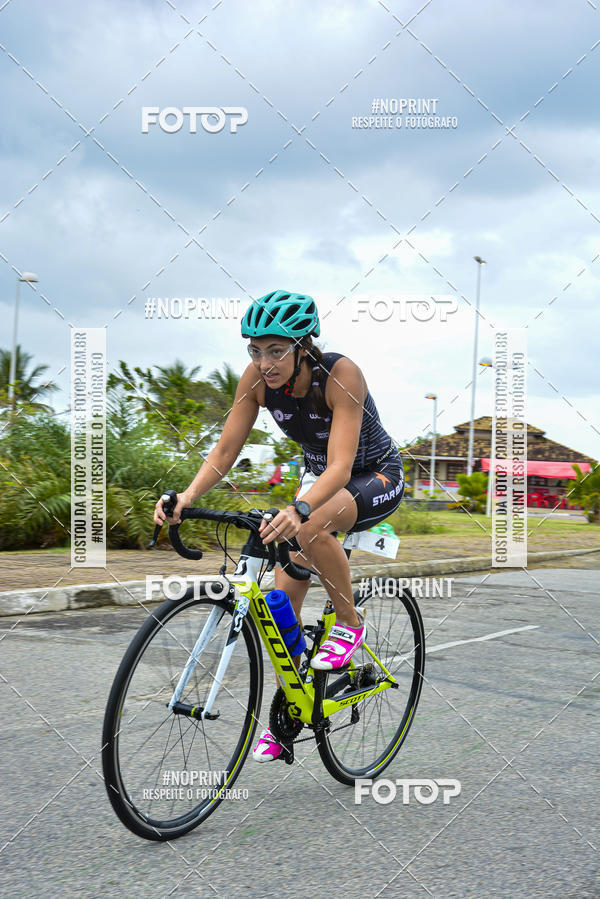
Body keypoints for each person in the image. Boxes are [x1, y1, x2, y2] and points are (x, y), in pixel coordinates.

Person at [153, 290, 405, 762]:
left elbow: (341, 464)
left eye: (275, 350)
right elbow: (226, 450)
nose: (263, 361)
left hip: (373, 474)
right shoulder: (256, 380)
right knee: (278, 608)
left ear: (303, 346)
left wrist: (301, 511)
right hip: (320, 480)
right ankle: (291, 710)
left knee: (307, 528)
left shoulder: (340, 374)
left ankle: (350, 624)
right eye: (254, 349)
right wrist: (187, 497)